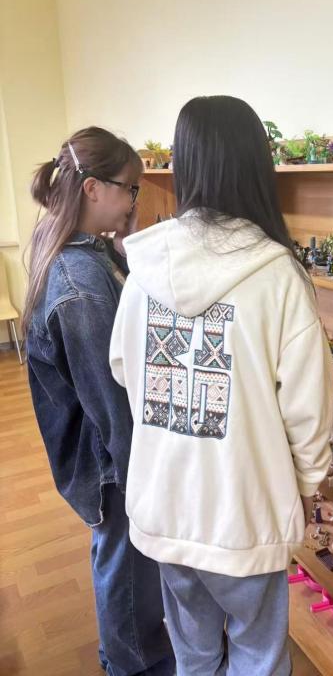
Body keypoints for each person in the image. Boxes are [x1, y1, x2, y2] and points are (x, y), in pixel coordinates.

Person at [110, 96, 333, 675]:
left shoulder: (144, 269)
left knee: (194, 654)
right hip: (244, 511)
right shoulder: (278, 274)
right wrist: (311, 482)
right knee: (259, 656)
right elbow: (307, 406)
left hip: (165, 505)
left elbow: (124, 368)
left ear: (183, 165)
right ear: (256, 165)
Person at [24, 127, 175, 676]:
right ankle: (132, 664)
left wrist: (127, 246)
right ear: (92, 189)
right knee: (125, 566)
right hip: (107, 461)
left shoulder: (81, 250)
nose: (135, 200)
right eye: (130, 188)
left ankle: (131, 653)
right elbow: (109, 399)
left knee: (122, 560)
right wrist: (141, 480)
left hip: (101, 452)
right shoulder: (79, 283)